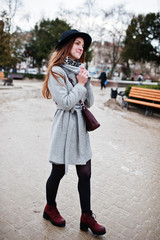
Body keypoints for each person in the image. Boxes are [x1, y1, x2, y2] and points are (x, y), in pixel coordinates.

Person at [42, 29, 106, 236]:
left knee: (85, 173)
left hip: (80, 126)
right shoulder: (56, 71)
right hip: (64, 126)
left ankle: (86, 216)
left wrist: (85, 80)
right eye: (77, 43)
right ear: (67, 45)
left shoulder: (80, 69)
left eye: (83, 45)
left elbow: (89, 102)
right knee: (58, 171)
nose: (81, 48)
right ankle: (50, 208)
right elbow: (66, 103)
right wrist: (79, 83)